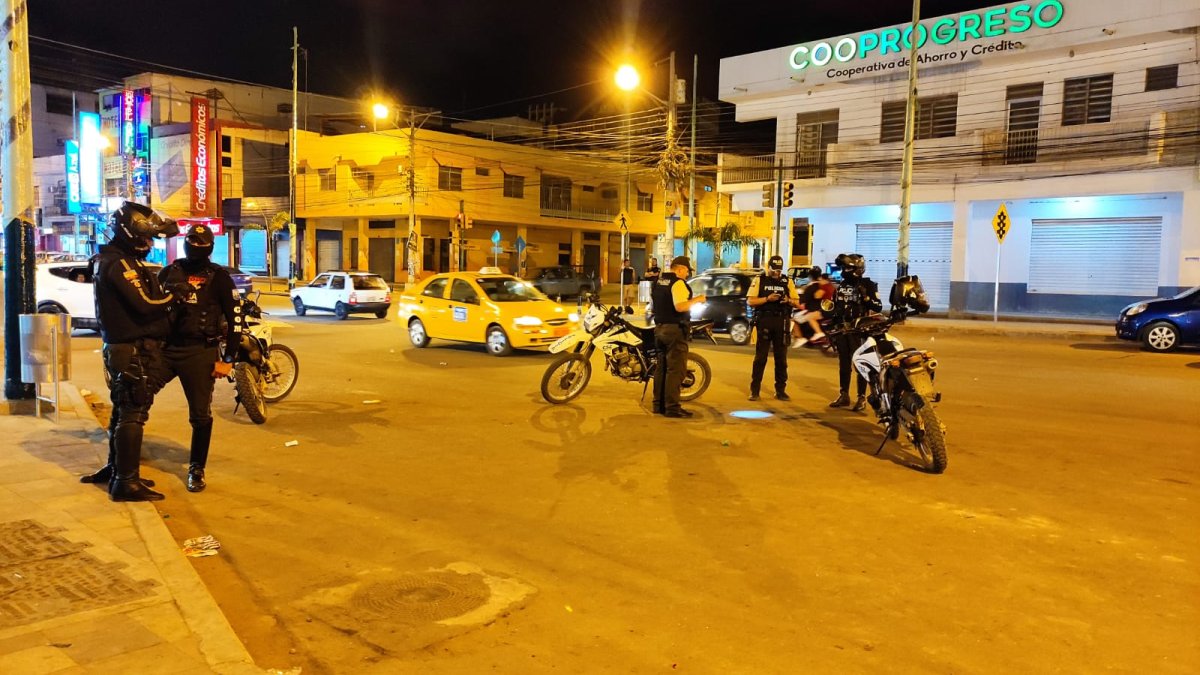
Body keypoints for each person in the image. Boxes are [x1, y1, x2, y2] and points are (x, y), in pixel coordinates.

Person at [80, 202, 191, 502]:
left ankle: (117, 469)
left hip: (125, 348)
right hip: (129, 349)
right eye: (146, 238)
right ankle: (125, 482)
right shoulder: (118, 264)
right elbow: (144, 306)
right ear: (130, 233)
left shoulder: (119, 259)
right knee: (133, 412)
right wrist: (174, 296)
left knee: (123, 410)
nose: (149, 243)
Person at [158, 224, 241, 492]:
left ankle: (196, 467)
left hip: (200, 352)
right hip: (167, 350)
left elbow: (236, 321)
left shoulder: (219, 278)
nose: (194, 245)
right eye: (191, 239)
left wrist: (227, 359)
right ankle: (122, 461)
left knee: (200, 415)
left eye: (200, 241)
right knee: (135, 397)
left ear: (209, 247)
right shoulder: (169, 272)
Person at [651, 256, 706, 418]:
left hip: (659, 329)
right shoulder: (678, 283)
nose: (687, 274)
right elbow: (680, 306)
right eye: (687, 271)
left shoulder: (659, 281)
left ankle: (658, 405)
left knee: (661, 369)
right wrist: (698, 299)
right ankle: (672, 408)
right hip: (674, 331)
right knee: (676, 371)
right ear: (680, 269)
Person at [828, 253, 882, 411]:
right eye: (843, 267)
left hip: (859, 331)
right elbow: (836, 307)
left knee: (861, 364)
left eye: (847, 268)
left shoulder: (868, 285)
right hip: (843, 330)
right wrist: (832, 325)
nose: (844, 270)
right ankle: (844, 394)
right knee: (844, 364)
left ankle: (861, 397)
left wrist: (866, 298)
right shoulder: (841, 285)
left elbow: (877, 306)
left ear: (857, 269)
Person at [747, 255, 800, 401]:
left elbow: (797, 302)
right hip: (764, 320)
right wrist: (766, 299)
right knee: (760, 358)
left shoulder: (786, 281)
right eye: (774, 269)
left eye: (779, 270)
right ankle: (755, 390)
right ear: (768, 267)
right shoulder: (760, 279)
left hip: (781, 322)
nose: (776, 273)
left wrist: (788, 300)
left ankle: (781, 390)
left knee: (781, 359)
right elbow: (750, 301)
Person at [792, 266, 833, 347]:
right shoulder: (825, 286)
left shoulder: (812, 287)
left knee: (794, 319)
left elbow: (803, 302)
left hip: (817, 311)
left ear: (810, 276)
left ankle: (800, 338)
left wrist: (792, 301)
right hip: (826, 309)